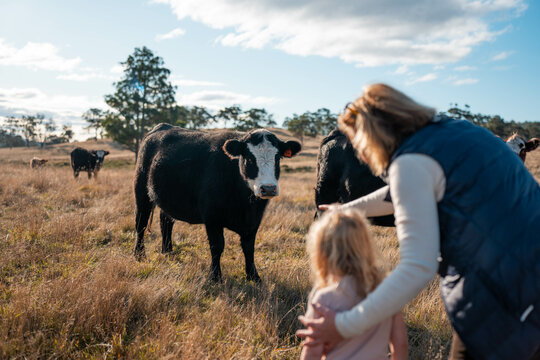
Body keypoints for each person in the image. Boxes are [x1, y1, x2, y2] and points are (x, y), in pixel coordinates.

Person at [296, 83, 540, 360]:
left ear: (373, 133)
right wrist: (345, 209)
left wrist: (341, 326)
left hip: (508, 295)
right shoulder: (456, 131)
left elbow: (417, 267)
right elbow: (401, 189)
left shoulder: (411, 161)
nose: (362, 154)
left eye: (359, 142)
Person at [300, 208, 408, 360]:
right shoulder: (387, 292)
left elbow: (312, 352)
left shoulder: (324, 300)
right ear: (366, 247)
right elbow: (401, 344)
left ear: (322, 253)